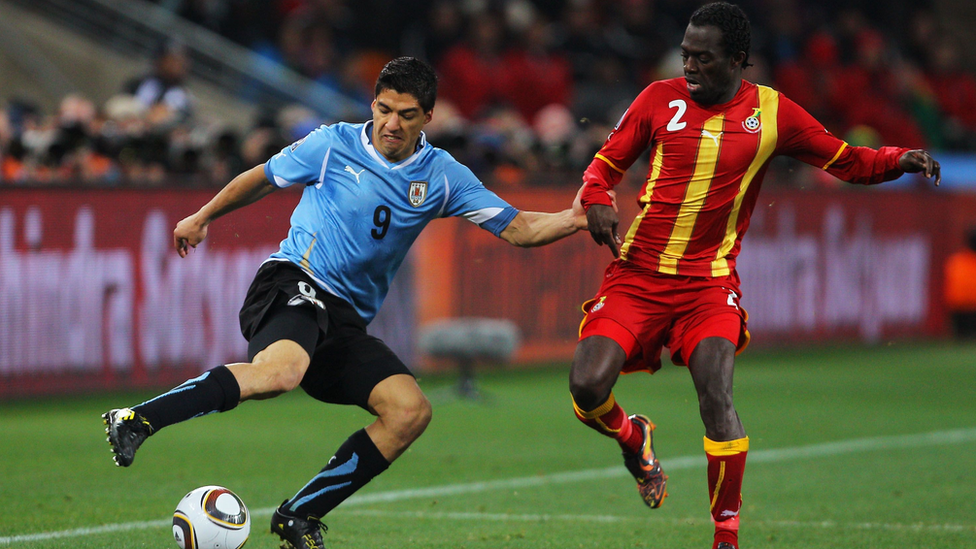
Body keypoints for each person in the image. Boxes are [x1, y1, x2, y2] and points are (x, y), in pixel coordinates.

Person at [103, 57, 590, 549]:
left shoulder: (442, 175)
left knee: (408, 412)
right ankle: (138, 419)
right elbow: (262, 176)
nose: (391, 123)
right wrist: (203, 215)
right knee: (280, 374)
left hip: (344, 321)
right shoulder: (332, 144)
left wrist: (575, 219)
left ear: (428, 117)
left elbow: (519, 228)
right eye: (383, 109)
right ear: (372, 104)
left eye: (406, 114)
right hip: (294, 279)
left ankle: (300, 514)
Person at [568, 4, 941, 549]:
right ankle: (634, 436)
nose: (689, 65)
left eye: (703, 57)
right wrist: (598, 196)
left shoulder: (773, 112)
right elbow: (603, 164)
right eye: (685, 54)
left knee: (716, 395)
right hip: (637, 276)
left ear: (737, 60)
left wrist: (898, 157)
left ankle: (726, 536)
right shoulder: (656, 99)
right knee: (586, 386)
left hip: (707, 285)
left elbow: (845, 160)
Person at [944, 227, 976, 339]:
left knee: (962, 342)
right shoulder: (957, 261)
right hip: (962, 310)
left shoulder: (956, 261)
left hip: (959, 310)